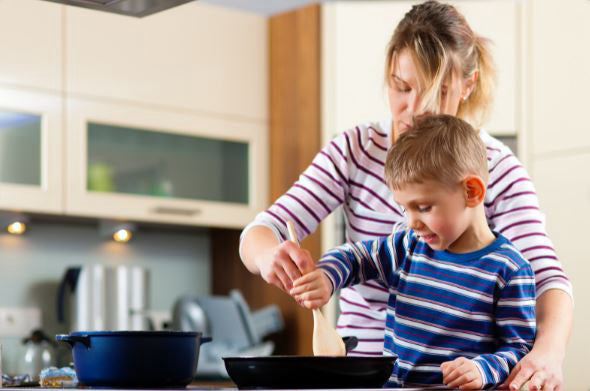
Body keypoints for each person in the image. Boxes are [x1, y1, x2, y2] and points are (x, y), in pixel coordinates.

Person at [239, 1, 573, 390]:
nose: (413, 110)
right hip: (367, 374)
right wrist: (272, 258)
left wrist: (546, 354)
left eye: (436, 92)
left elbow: (546, 277)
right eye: (401, 87)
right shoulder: (355, 149)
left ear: (468, 84)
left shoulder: (498, 169)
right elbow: (264, 231)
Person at [290, 114, 536, 388]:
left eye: (424, 207)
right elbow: (355, 256)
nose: (411, 222)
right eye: (404, 208)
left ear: (472, 191)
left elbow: (519, 350)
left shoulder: (510, 270)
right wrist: (326, 277)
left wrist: (482, 370)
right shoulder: (407, 245)